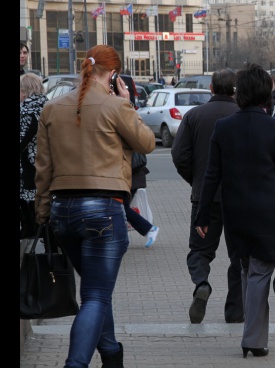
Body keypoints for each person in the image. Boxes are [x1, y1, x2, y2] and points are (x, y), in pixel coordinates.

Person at [34, 45, 155, 368]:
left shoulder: (52, 108)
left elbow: (42, 169)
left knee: (95, 293)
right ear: (113, 73)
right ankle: (75, 364)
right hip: (103, 210)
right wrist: (128, 102)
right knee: (96, 296)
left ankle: (111, 354)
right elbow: (146, 143)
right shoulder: (116, 106)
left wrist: (42, 212)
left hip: (63, 210)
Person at [194, 63, 275, 359]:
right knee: (259, 273)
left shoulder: (223, 127)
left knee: (247, 270)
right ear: (265, 93)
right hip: (268, 214)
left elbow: (211, 175)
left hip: (235, 213)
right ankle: (253, 339)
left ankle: (256, 334)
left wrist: (202, 215)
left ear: (240, 93)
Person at [171, 68, 245, 324]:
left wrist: (196, 180)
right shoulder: (243, 115)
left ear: (211, 88)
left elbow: (179, 155)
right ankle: (235, 311)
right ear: (235, 90)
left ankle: (201, 282)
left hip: (204, 197)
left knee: (199, 250)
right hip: (239, 198)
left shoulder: (194, 115)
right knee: (239, 256)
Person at [20, 73, 48, 241]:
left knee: (30, 207)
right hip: (45, 164)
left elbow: (21, 141)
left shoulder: (26, 111)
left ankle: (33, 233)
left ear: (25, 91)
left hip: (28, 167)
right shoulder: (48, 107)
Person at [124, 151, 159, 247]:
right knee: (120, 207)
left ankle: (149, 229)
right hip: (130, 178)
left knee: (121, 207)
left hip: (131, 179)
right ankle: (122, 238)